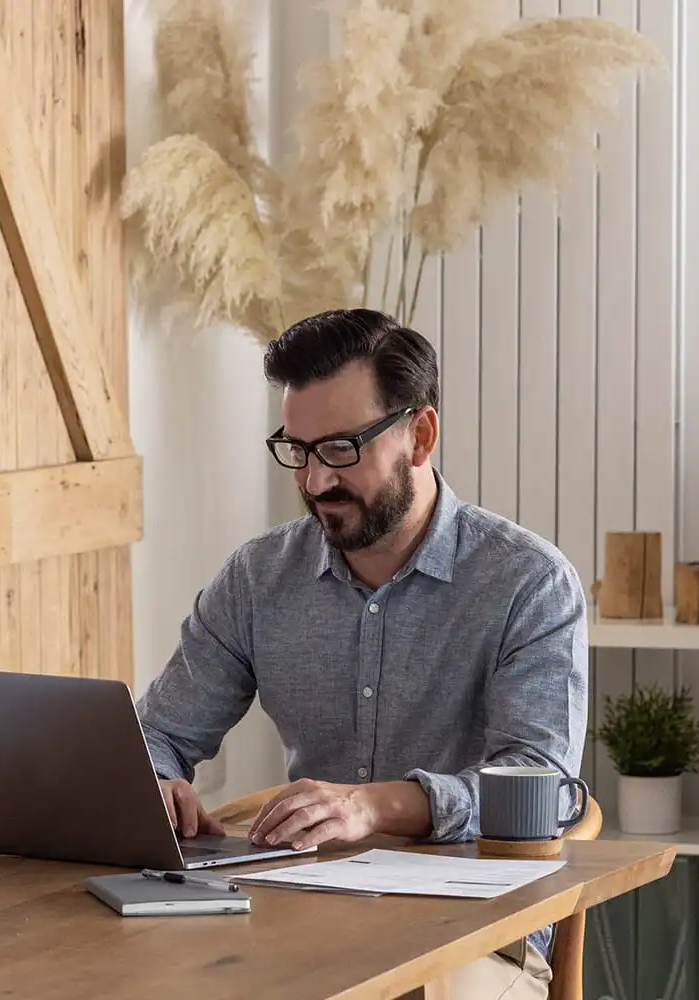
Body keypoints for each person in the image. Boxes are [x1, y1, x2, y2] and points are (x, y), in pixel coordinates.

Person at [134, 308, 588, 999]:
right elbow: (159, 733)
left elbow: (539, 784)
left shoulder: (526, 582)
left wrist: (375, 806)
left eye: (341, 449)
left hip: (473, 931)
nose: (316, 481)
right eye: (299, 449)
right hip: (292, 916)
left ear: (421, 436)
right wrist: (155, 779)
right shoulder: (259, 578)